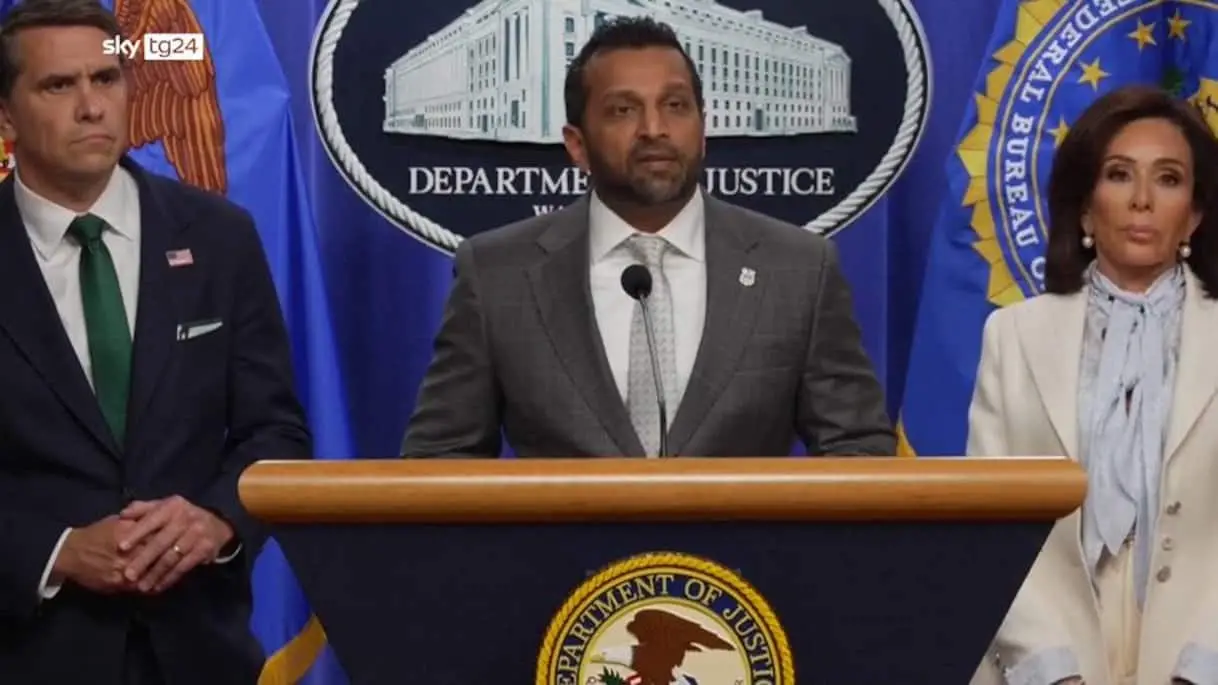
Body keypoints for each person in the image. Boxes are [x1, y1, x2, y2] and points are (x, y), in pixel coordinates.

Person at [401, 16, 894, 458]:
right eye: (623, 110)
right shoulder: (497, 274)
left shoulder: (799, 269)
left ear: (703, 130)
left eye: (675, 106)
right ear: (577, 145)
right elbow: (440, 461)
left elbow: (857, 450)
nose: (654, 129)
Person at [0, 1, 312, 683]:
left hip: (198, 650)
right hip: (30, 651)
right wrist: (53, 552)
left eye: (107, 79)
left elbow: (275, 431)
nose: (92, 107)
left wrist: (217, 519)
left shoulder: (221, 237)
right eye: (59, 85)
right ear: (6, 117)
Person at [966, 84, 1218, 685]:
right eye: (1118, 174)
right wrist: (1053, 669)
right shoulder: (1013, 336)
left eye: (1168, 179)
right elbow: (989, 522)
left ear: (1195, 213)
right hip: (1047, 653)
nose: (1141, 200)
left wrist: (1202, 666)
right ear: (1084, 207)